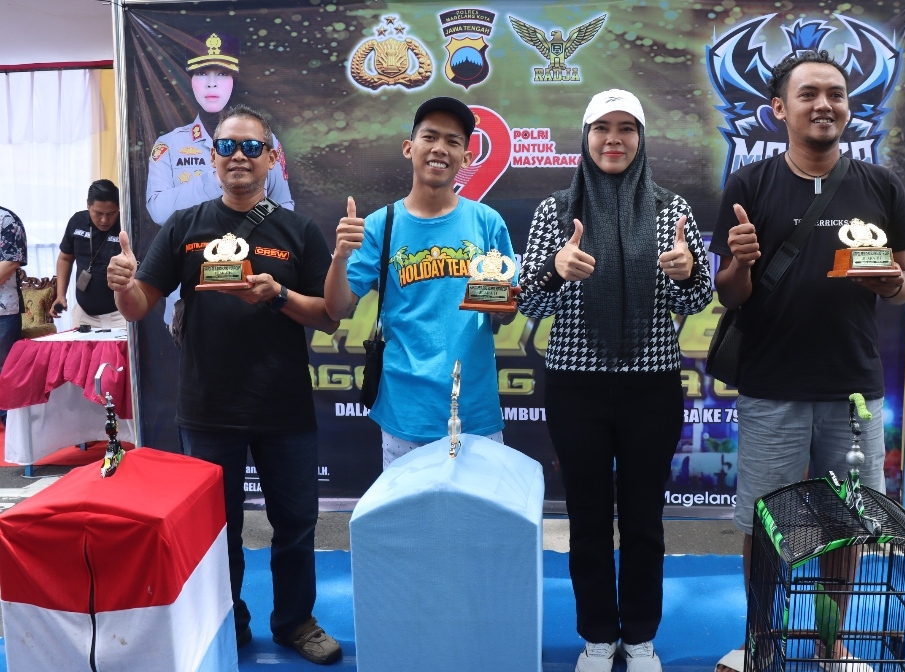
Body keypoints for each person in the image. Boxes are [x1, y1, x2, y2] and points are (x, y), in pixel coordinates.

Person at [107, 104, 342, 665]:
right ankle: (224, 620)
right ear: (212, 158)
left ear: (270, 158)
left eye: (251, 147)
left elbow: (330, 316)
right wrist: (122, 285)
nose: (239, 156)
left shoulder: (298, 230)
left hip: (284, 407)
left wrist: (278, 296)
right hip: (208, 407)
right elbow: (139, 304)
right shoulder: (184, 226)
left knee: (296, 525)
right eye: (228, 146)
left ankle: (295, 622)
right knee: (217, 529)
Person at [710, 50, 905, 672]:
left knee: (845, 524)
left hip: (852, 387)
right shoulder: (749, 185)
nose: (824, 104)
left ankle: (831, 642)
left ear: (848, 107)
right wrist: (741, 261)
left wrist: (894, 285)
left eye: (836, 94)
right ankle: (761, 639)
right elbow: (730, 294)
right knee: (766, 524)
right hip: (772, 383)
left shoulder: (882, 185)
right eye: (808, 94)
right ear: (779, 109)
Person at [517, 89, 712, 672]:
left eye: (626, 128)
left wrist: (687, 273)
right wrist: (555, 270)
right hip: (576, 387)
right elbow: (528, 302)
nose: (614, 139)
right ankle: (598, 637)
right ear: (586, 136)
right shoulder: (555, 211)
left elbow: (698, 299)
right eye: (602, 127)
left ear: (641, 138)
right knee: (588, 518)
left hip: (650, 386)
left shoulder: (671, 209)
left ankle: (641, 636)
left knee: (645, 518)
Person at [323, 96, 515, 469]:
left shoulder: (487, 222)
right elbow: (337, 308)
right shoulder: (381, 224)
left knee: (477, 509)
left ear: (466, 158)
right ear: (409, 148)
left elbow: (504, 314)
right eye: (430, 137)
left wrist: (502, 304)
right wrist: (341, 256)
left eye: (453, 141)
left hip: (474, 409)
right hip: (405, 409)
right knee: (409, 509)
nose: (440, 148)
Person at [146, 31, 294, 333]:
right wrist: (216, 179)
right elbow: (159, 211)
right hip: (191, 294)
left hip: (257, 288)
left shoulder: (265, 143)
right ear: (190, 80)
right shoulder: (169, 145)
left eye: (222, 74)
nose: (211, 83)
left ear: (234, 81)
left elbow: (284, 206)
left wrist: (254, 224)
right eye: (202, 73)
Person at [50, 179, 125, 328]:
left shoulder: (127, 224)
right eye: (98, 213)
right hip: (84, 314)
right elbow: (65, 259)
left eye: (111, 213)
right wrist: (60, 295)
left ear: (118, 208)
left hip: (121, 314)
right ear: (88, 205)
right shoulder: (77, 221)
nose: (104, 220)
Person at [0, 205, 27, 427]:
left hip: (3, 311)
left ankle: (11, 426)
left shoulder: (7, 219)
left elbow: (11, 262)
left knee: (5, 368)